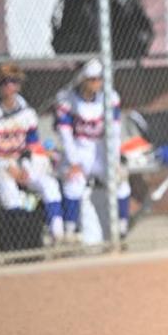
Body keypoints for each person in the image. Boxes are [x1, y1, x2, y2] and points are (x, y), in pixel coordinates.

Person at [0, 63, 64, 243]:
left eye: (14, 81)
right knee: (9, 192)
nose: (9, 86)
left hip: (20, 165)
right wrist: (7, 166)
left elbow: (31, 147)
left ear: (19, 84)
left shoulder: (26, 112)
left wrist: (24, 167)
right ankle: (20, 242)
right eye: (4, 82)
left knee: (49, 184)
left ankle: (58, 235)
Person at [55, 58, 130, 240]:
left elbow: (114, 133)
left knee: (120, 182)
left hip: (101, 152)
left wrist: (114, 161)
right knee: (74, 184)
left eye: (99, 78)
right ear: (82, 79)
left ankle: (122, 227)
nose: (97, 83)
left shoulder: (110, 98)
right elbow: (65, 135)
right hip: (78, 150)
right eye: (92, 79)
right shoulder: (66, 99)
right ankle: (70, 231)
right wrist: (73, 162)